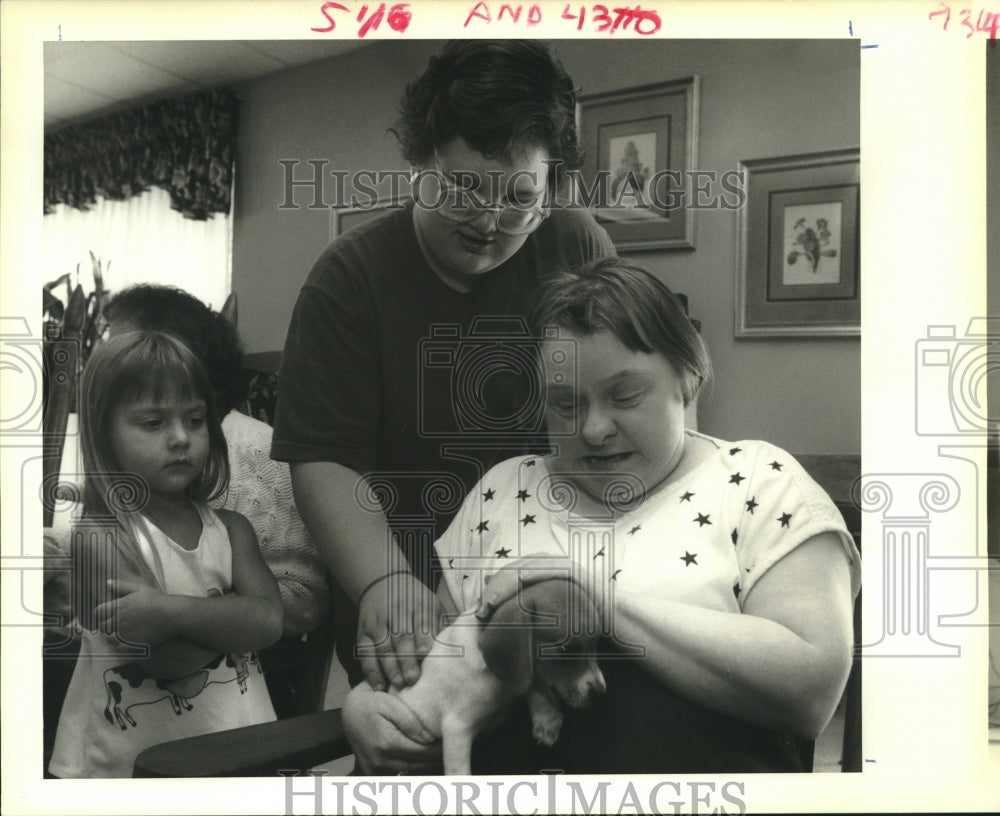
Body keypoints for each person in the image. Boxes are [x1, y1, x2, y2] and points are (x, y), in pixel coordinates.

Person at [345, 257, 861, 773]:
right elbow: (432, 659)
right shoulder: (504, 488)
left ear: (688, 377)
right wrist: (363, 708)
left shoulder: (758, 480)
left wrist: (594, 595)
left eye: (625, 395)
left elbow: (811, 692)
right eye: (565, 405)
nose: (594, 429)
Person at [271, 39, 616, 707]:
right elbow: (324, 460)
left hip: (555, 584)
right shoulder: (346, 280)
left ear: (551, 190)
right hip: (410, 595)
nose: (489, 222)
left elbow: (632, 395)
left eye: (519, 197)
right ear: (418, 162)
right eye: (461, 187)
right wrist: (382, 582)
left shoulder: (576, 244)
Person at [48, 331, 282, 778]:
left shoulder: (233, 529)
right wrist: (235, 619)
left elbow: (270, 622)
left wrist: (169, 612)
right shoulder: (100, 537)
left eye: (194, 420)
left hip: (235, 749)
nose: (180, 438)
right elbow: (168, 663)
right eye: (153, 423)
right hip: (128, 770)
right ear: (103, 435)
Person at [102, 285, 330, 638]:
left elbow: (302, 603)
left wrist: (176, 614)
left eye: (121, 347)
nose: (105, 362)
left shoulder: (253, 450)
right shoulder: (130, 464)